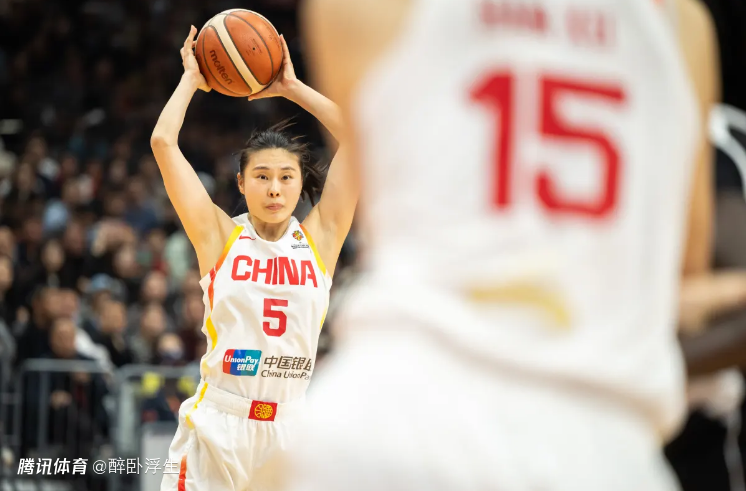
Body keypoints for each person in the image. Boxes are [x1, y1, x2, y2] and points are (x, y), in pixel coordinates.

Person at [278, 0, 720, 490]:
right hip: (599, 443)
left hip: (401, 412)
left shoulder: (367, 9)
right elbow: (682, 272)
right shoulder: (683, 26)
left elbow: (374, 193)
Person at [152, 26, 356, 491]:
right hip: (218, 426)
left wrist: (292, 87)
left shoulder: (322, 238)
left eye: (286, 177)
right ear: (242, 184)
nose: (274, 188)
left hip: (290, 430)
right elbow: (163, 142)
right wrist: (191, 79)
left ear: (301, 184)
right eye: (262, 176)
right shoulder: (219, 236)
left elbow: (360, 138)